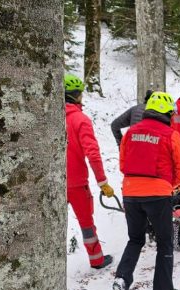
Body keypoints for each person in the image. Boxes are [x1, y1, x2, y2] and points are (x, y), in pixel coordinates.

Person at [113, 92, 180, 290]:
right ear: (166, 113)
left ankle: (122, 278)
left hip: (130, 192)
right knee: (164, 242)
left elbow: (122, 164)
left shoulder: (130, 133)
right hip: (158, 194)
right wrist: (170, 185)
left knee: (135, 239)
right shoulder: (170, 134)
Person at [64, 73, 115, 268]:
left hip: (54, 182)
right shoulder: (80, 119)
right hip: (76, 183)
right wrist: (103, 182)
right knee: (86, 224)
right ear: (77, 96)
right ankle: (96, 260)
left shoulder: (48, 118)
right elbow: (92, 153)